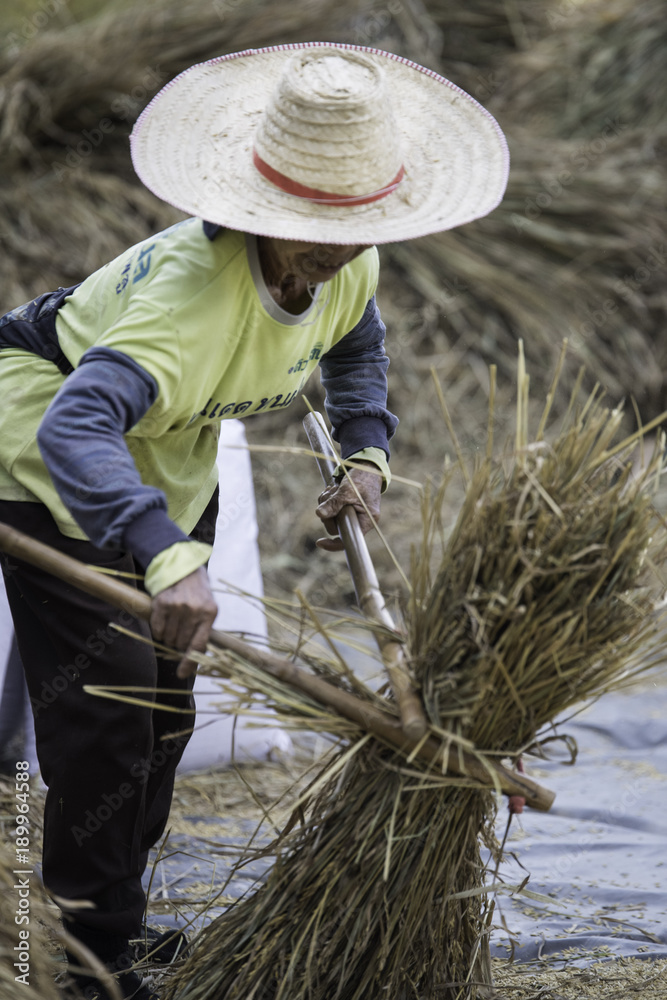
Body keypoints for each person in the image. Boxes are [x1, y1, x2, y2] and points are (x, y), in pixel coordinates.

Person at [0, 42, 508, 1000]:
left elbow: (355, 337)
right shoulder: (192, 301)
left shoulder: (344, 264)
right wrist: (160, 557)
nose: (337, 245)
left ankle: (118, 922)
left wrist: (364, 451)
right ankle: (80, 964)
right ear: (250, 209)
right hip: (52, 455)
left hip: (171, 459)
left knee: (163, 713)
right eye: (309, 225)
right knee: (107, 713)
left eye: (355, 224)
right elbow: (78, 424)